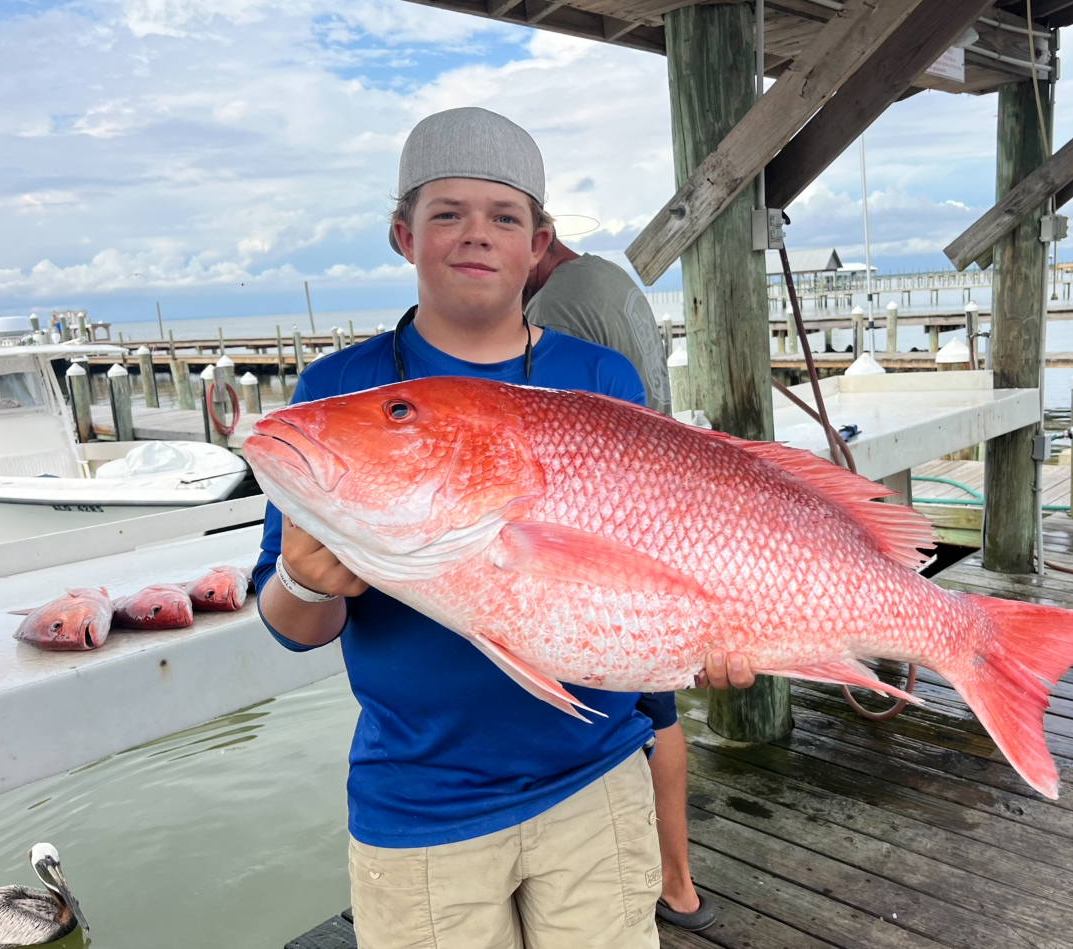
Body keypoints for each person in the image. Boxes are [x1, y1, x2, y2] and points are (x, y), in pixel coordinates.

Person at [253, 107, 753, 949]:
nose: (475, 235)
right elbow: (292, 626)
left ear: (537, 244)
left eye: (504, 216)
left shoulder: (597, 375)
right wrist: (305, 581)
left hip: (595, 779)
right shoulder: (339, 391)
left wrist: (706, 638)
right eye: (446, 212)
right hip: (419, 802)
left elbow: (655, 546)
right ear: (403, 236)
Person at [524, 241, 714, 930]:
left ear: (537, 241)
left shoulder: (553, 305)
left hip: (613, 530)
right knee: (658, 712)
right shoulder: (614, 278)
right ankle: (680, 881)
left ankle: (660, 878)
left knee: (646, 711)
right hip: (656, 506)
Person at [525, 238, 673, 415]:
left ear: (535, 245)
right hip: (654, 436)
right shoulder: (608, 271)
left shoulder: (550, 308)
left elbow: (556, 428)